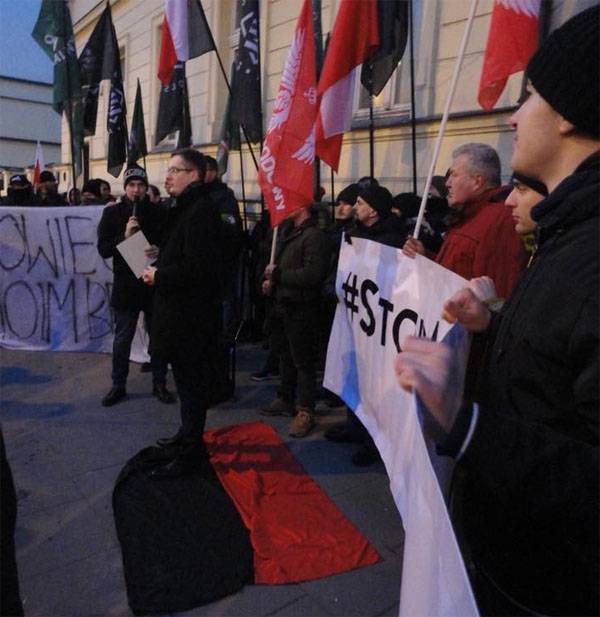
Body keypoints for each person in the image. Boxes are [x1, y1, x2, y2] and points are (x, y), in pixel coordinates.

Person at [395, 6, 599, 615]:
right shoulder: (572, 233)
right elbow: (569, 357)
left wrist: (467, 421)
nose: (513, 115)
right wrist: (497, 325)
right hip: (521, 563)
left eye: (530, 94)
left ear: (569, 113)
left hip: (555, 587)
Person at [142, 149, 224, 476]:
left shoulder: (201, 211)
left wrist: (158, 274)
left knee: (191, 388)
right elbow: (183, 252)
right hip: (178, 316)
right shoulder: (186, 208)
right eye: (169, 170)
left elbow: (198, 269)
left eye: (176, 170)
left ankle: (191, 453)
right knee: (185, 384)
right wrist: (161, 255)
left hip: (189, 321)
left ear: (195, 174)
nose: (168, 176)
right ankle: (186, 437)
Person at [403, 143, 526, 298]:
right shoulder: (469, 214)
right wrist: (424, 258)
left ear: (477, 182)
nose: (447, 183)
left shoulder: (500, 219)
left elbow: (499, 289)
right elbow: (456, 272)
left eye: (454, 175)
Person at [97, 165, 174, 407]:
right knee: (123, 338)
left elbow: (171, 244)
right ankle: (118, 385)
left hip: (153, 285)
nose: (136, 190)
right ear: (125, 188)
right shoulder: (112, 214)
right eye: (132, 185)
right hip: (126, 286)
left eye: (141, 185)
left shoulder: (159, 212)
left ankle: (159, 383)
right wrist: (125, 238)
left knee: (158, 337)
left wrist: (161, 250)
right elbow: (103, 249)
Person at [259, 204, 331, 438]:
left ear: (300, 205)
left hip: (302, 307)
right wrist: (272, 281)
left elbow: (313, 274)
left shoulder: (314, 236)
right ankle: (285, 397)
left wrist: (279, 275)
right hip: (284, 304)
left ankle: (305, 409)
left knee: (303, 361)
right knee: (285, 355)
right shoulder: (289, 232)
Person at [203, 155, 244, 336]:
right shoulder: (196, 194)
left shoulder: (224, 195)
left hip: (222, 257)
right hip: (201, 258)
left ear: (212, 172)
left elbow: (230, 223)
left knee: (225, 299)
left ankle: (224, 335)